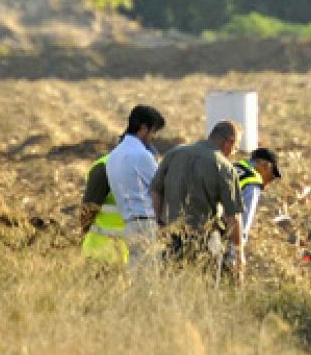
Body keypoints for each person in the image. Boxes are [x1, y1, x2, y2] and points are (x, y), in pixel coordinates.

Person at [151, 120, 245, 280]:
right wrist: (239, 253)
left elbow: (155, 190)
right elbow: (233, 216)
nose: (233, 152)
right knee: (204, 290)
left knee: (169, 287)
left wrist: (159, 222)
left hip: (170, 236)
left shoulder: (174, 153)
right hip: (204, 241)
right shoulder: (224, 166)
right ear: (229, 142)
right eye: (235, 148)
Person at [103, 105, 166, 269]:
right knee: (149, 278)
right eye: (153, 132)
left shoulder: (113, 156)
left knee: (136, 273)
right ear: (143, 128)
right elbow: (159, 189)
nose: (153, 137)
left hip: (129, 224)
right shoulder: (142, 155)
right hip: (147, 223)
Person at [233, 147, 282, 244]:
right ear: (265, 166)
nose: (268, 183)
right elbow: (242, 226)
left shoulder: (232, 166)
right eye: (271, 177)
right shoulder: (252, 184)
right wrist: (238, 254)